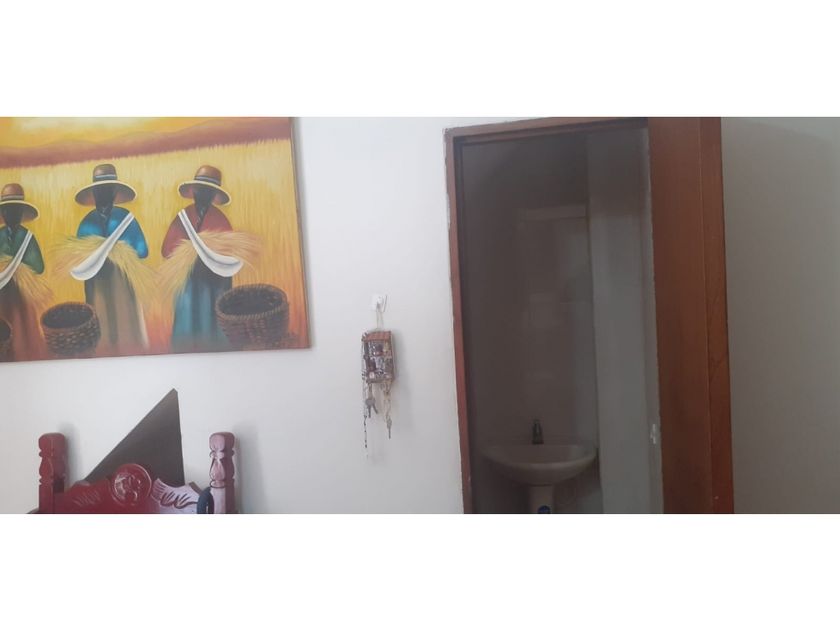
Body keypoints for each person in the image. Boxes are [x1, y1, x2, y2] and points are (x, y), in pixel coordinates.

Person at [75, 163, 149, 355]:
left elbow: (142, 250)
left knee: (126, 318)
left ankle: (131, 351)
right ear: (94, 194)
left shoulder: (127, 218)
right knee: (100, 318)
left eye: (108, 190)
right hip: (96, 281)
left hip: (123, 279)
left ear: (115, 193)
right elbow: (78, 255)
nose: (104, 195)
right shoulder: (87, 222)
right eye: (100, 191)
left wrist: (121, 251)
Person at [162, 165, 235, 352]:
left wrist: (209, 252)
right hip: (187, 281)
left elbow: (229, 254)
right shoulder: (183, 217)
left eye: (206, 192)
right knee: (187, 316)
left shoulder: (220, 219)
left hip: (214, 282)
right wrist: (187, 252)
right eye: (199, 190)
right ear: (193, 191)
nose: (201, 195)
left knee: (213, 319)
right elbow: (167, 249)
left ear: (213, 195)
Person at [0, 183, 46, 360]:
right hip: (2, 294)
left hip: (22, 294)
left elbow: (39, 267)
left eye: (15, 210)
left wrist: (19, 269)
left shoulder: (28, 238)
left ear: (21, 212)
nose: (10, 214)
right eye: (7, 210)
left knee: (23, 328)